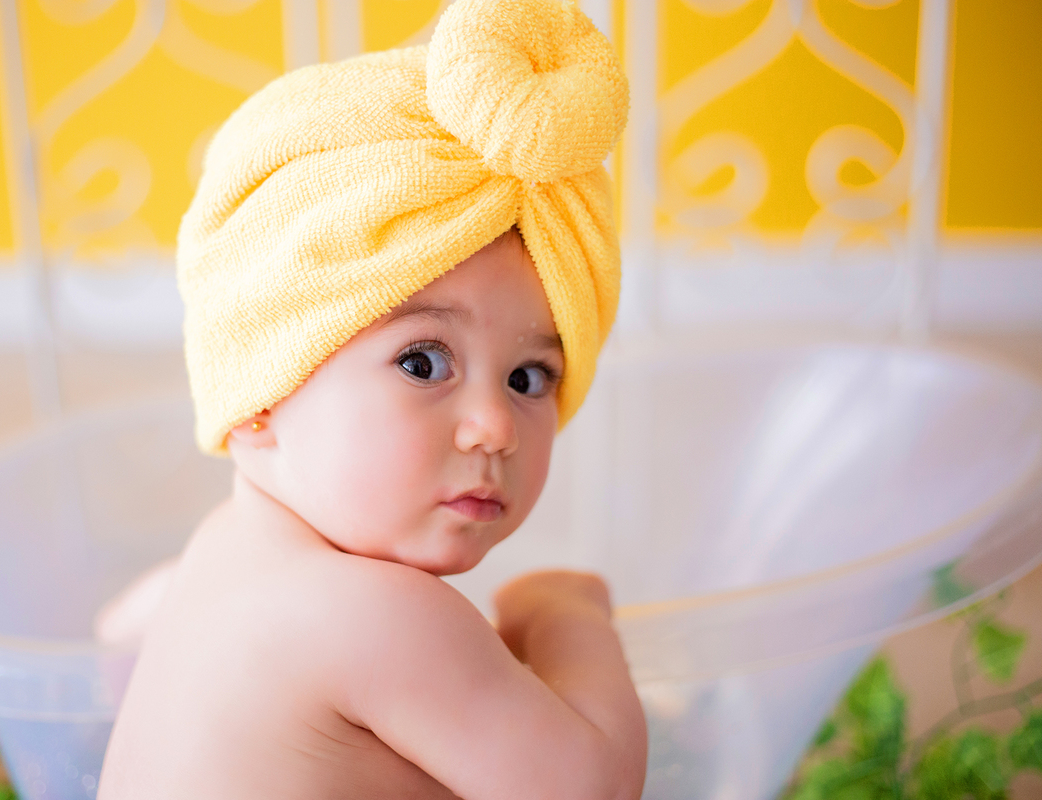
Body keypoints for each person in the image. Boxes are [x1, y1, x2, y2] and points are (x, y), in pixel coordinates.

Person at [97, 0, 647, 797]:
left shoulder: (219, 553)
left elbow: (119, 631)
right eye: (424, 362)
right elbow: (591, 785)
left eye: (529, 378)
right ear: (262, 390)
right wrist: (564, 614)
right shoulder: (380, 616)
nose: (496, 426)